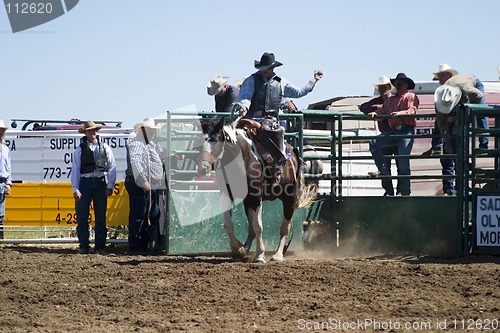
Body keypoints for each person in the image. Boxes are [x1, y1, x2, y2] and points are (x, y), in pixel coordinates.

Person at [238, 52, 323, 183]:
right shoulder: (251, 80)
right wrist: (244, 106)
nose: (263, 71)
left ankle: (277, 166)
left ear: (272, 68)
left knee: (272, 134)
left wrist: (314, 80)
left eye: (266, 68)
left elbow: (299, 92)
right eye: (262, 69)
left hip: (271, 121)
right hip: (251, 119)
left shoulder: (281, 82)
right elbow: (245, 97)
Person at [368, 73, 419, 196]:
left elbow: (413, 110)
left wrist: (401, 113)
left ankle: (405, 192)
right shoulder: (390, 100)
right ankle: (384, 171)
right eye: (396, 83)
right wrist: (375, 114)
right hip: (395, 131)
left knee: (402, 163)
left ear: (406, 84)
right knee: (374, 142)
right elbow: (382, 111)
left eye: (399, 83)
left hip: (406, 131)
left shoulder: (411, 96)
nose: (397, 85)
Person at [71, 120, 116, 254]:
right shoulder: (79, 150)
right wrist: (75, 189)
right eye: (90, 131)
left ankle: (100, 246)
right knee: (82, 216)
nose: (93, 133)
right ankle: (84, 245)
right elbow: (75, 170)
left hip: (101, 182)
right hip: (85, 183)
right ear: (85, 133)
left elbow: (112, 167)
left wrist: (110, 184)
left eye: (94, 130)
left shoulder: (105, 148)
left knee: (101, 216)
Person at [422, 64, 487, 156]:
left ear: (449, 75)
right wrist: (447, 140)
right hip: (461, 94)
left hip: (473, 85)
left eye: (442, 75)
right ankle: (438, 146)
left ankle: (484, 144)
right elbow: (440, 121)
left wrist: (464, 118)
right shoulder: (442, 96)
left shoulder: (464, 87)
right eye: (439, 76)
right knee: (449, 121)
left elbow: (479, 95)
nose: (440, 78)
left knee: (481, 111)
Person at [434, 77, 484, 196]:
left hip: (469, 94)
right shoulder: (442, 100)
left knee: (481, 113)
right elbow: (441, 123)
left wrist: (463, 121)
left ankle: (484, 142)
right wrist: (446, 141)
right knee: (451, 155)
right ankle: (454, 189)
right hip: (457, 108)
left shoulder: (468, 90)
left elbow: (479, 96)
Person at [125, 118, 165, 254]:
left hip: (148, 183)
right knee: (140, 214)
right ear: (144, 130)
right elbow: (136, 163)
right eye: (151, 130)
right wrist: (143, 181)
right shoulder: (136, 143)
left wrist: (174, 154)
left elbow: (161, 151)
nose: (153, 133)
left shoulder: (149, 143)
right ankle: (136, 246)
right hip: (140, 183)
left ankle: (142, 244)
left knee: (153, 214)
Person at [361, 75, 400, 196]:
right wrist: (378, 107)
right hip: (386, 136)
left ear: (389, 87)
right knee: (387, 165)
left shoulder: (394, 99)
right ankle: (389, 191)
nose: (382, 89)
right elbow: (363, 107)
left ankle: (397, 191)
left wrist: (380, 109)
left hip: (395, 134)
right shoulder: (378, 101)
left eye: (383, 87)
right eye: (380, 87)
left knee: (399, 165)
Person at [0, 120, 12, 239]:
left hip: (2, 182)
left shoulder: (6, 149)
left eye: (2, 131)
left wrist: (9, 183)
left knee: (1, 213)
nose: (1, 133)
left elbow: (8, 168)